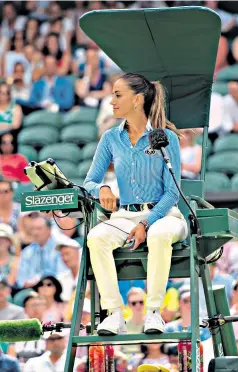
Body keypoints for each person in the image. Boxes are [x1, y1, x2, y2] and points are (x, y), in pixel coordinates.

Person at [84, 72, 188, 335]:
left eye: (118, 95)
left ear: (138, 99)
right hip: (124, 216)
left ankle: (154, 313)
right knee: (95, 238)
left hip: (165, 215)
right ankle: (114, 314)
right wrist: (103, 187)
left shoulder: (166, 138)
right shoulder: (110, 138)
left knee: (159, 234)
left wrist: (146, 222)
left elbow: (172, 193)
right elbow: (90, 182)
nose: (112, 102)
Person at [16, 214, 68, 288]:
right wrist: (26, 283)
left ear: (49, 230)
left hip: (55, 288)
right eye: (33, 229)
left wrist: (40, 278)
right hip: (32, 290)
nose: (35, 232)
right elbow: (21, 279)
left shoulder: (60, 248)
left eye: (39, 228)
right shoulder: (26, 252)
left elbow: (63, 274)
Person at [56, 235, 81, 302]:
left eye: (67, 254)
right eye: (62, 255)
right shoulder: (61, 279)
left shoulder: (90, 277)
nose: (65, 258)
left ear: (78, 253)